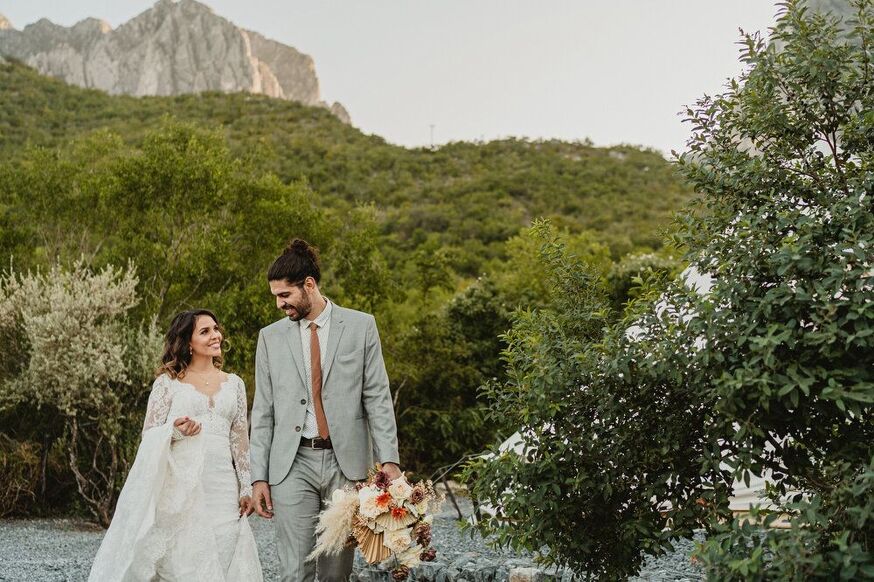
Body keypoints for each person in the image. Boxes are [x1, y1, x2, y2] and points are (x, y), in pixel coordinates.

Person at [250, 238, 401, 582]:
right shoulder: (269, 338)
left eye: (284, 295)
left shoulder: (362, 326)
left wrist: (389, 460)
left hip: (345, 464)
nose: (278, 304)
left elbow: (377, 396)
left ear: (309, 285)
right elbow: (263, 412)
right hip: (291, 464)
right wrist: (258, 476)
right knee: (294, 570)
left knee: (336, 572)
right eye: (275, 295)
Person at [88, 309, 263, 581]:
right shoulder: (167, 384)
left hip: (223, 489)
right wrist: (175, 431)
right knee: (185, 561)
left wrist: (246, 486)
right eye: (205, 331)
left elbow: (240, 439)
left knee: (225, 556)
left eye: (216, 329)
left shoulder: (235, 384)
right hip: (184, 487)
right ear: (187, 342)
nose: (216, 335)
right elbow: (149, 436)